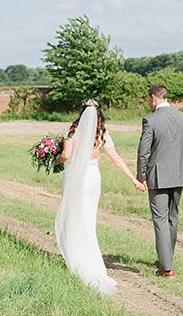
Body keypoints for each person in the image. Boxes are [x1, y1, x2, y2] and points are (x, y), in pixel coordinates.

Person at [54, 99, 145, 294]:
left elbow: (66, 155)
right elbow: (116, 159)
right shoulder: (102, 134)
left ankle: (76, 257)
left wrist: (55, 160)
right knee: (88, 218)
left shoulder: (71, 131)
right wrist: (134, 180)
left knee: (73, 215)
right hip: (92, 177)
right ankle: (90, 260)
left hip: (75, 177)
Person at [136, 83, 183, 278]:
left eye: (148, 100)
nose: (148, 103)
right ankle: (166, 257)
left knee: (160, 220)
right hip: (179, 176)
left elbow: (143, 152)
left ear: (154, 97)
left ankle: (166, 268)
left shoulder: (150, 120)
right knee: (173, 217)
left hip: (158, 178)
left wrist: (141, 176)